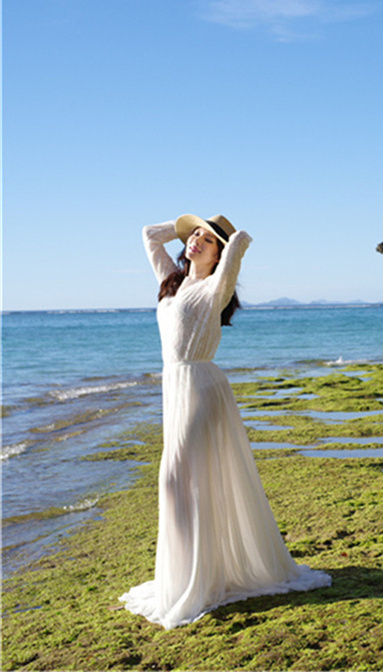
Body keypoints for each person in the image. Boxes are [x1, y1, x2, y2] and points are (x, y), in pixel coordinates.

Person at [120, 214, 331, 630]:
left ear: (219, 253)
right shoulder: (172, 281)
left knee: (175, 478)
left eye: (207, 240)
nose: (197, 241)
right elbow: (148, 235)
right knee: (187, 481)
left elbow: (241, 243)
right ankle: (187, 576)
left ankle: (191, 583)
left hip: (199, 385)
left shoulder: (218, 286)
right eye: (194, 237)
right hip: (175, 386)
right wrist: (185, 225)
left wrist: (226, 237)